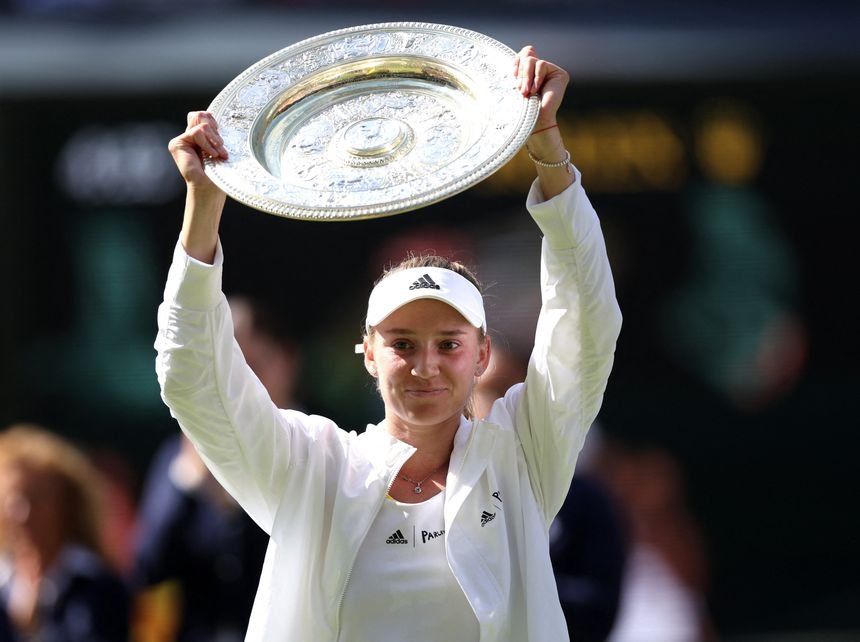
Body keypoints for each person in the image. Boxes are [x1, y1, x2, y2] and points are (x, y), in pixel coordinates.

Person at [154, 46, 622, 641]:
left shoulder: (521, 454)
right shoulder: (313, 467)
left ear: (482, 354)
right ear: (369, 354)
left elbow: (586, 327)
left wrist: (549, 149)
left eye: (448, 343)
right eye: (402, 343)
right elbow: (192, 380)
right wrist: (204, 204)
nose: (425, 365)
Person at [133, 295, 300, 642]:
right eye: (223, 368)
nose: (236, 384)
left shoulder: (325, 449)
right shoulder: (181, 453)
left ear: (286, 361)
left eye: (250, 364)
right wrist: (190, 479)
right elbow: (150, 567)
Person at [0, 423, 130, 642]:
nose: (24, 514)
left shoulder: (100, 588)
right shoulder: (5, 582)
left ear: (67, 506)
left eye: (38, 499)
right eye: (14, 500)